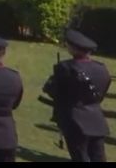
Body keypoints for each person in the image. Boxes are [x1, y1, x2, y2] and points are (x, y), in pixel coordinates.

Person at [42, 29, 111, 162]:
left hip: (75, 120)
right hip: (96, 118)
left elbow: (52, 90)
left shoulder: (65, 68)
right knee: (99, 157)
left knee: (79, 156)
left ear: (73, 48)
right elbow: (103, 90)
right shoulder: (101, 68)